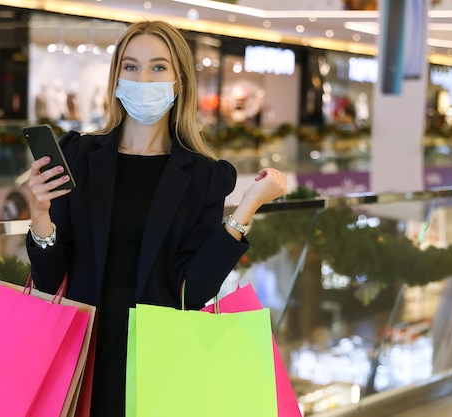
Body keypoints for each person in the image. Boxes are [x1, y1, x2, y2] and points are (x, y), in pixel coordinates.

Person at [26, 21, 287, 417]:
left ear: (179, 81)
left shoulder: (203, 177)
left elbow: (193, 291)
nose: (142, 78)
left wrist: (246, 209)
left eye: (158, 68)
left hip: (159, 362)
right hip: (80, 357)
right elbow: (49, 281)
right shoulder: (79, 156)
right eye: (130, 67)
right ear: (116, 78)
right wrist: (40, 215)